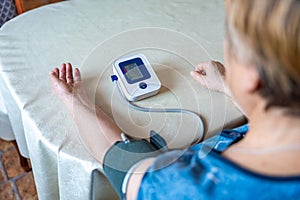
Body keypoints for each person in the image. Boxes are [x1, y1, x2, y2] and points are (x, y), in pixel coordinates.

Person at [49, 0, 300, 199]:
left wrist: (73, 99)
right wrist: (228, 85)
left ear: (251, 75)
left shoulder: (179, 189)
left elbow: (121, 162)